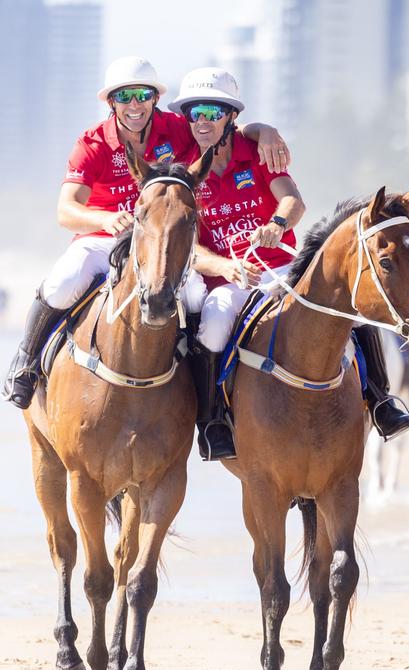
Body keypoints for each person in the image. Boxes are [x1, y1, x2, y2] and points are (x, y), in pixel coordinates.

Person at [2, 56, 290, 410]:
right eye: (125, 97)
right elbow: (66, 211)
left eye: (142, 95)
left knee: (198, 298)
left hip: (157, 240)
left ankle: (200, 401)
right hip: (104, 239)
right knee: (63, 282)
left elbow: (218, 125)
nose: (134, 105)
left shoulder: (176, 127)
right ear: (112, 103)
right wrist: (104, 220)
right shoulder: (92, 144)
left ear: (155, 99)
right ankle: (26, 362)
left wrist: (264, 131)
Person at [169, 68, 409, 459]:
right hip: (228, 282)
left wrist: (276, 224)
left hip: (283, 270)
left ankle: (381, 401)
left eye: (213, 112)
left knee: (347, 311)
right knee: (212, 330)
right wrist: (224, 267)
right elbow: (190, 249)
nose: (202, 122)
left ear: (231, 117)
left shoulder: (256, 151)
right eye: (195, 112)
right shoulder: (183, 170)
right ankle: (214, 421)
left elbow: (293, 200)